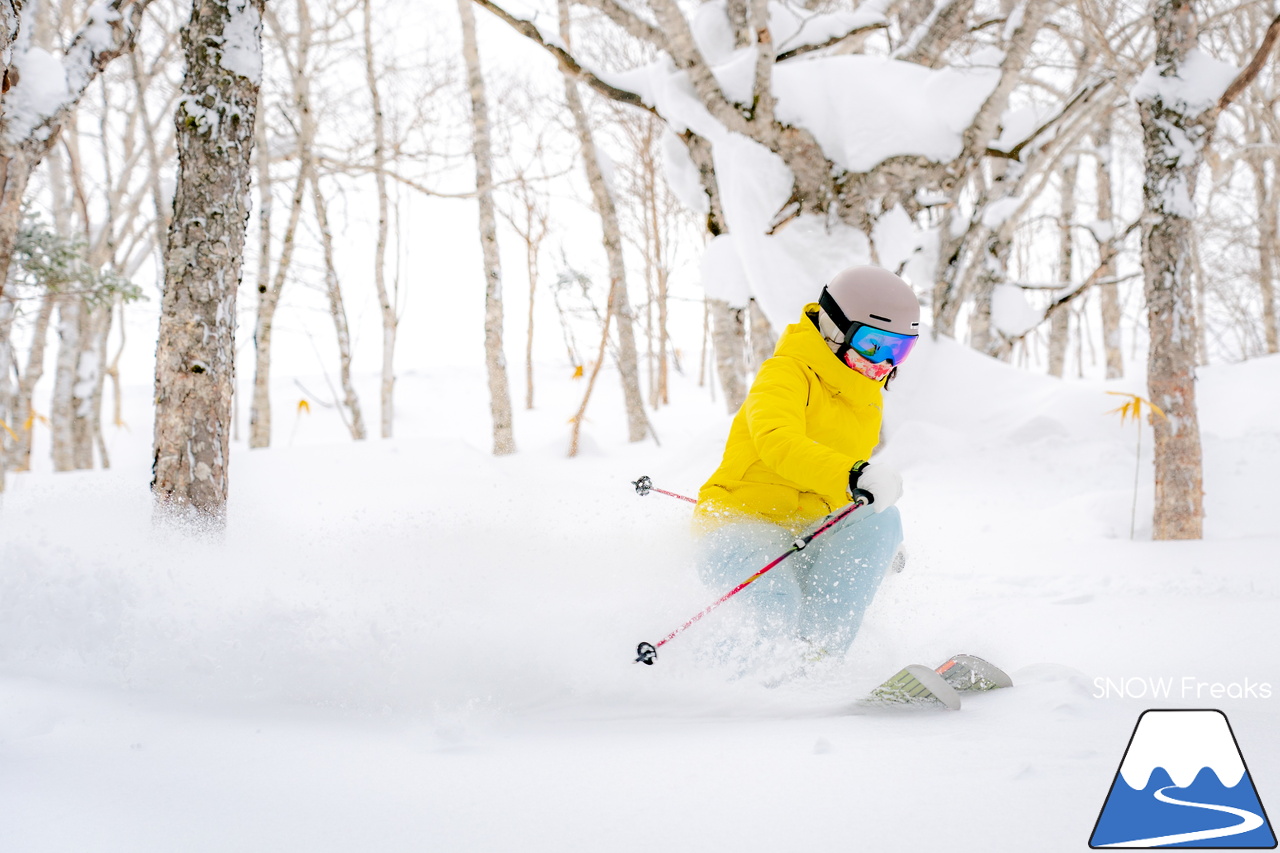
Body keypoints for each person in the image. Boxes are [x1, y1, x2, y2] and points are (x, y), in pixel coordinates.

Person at [694, 265, 921, 664]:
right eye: (873, 344)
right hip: (736, 526)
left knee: (882, 520)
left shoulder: (864, 397)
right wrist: (854, 474)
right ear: (835, 329)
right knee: (775, 601)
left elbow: (835, 489)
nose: (884, 361)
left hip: (802, 533)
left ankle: (816, 664)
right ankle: (746, 676)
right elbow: (777, 442)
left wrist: (873, 545)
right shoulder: (784, 373)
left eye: (898, 349)